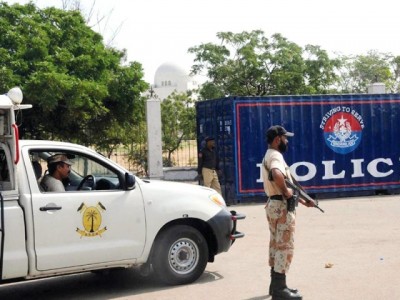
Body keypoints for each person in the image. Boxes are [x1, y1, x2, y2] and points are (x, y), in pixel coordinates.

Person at [262, 125, 315, 300]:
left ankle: (276, 285)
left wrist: (301, 200)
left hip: (274, 205)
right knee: (284, 246)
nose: (287, 141)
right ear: (277, 140)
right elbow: (278, 175)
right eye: (285, 138)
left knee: (276, 245)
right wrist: (287, 193)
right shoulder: (276, 155)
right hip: (281, 207)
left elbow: (285, 182)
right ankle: (279, 290)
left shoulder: (270, 155)